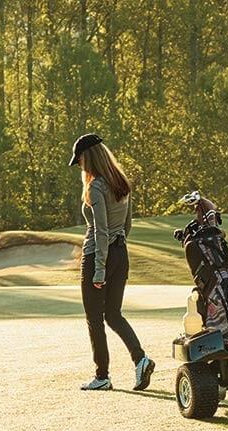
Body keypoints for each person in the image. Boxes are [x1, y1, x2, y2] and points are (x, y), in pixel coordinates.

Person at [70, 133, 155, 391]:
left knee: (94, 318)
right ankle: (140, 360)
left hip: (99, 255)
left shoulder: (96, 186)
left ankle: (102, 376)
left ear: (90, 156)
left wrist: (99, 269)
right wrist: (117, 254)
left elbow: (101, 230)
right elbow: (126, 225)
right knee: (114, 314)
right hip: (121, 253)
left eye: (80, 159)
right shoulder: (122, 183)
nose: (79, 165)